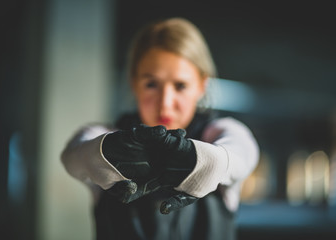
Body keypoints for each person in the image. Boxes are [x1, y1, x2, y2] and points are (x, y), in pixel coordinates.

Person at [61, 17, 259, 240]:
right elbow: (73, 156)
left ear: (202, 86)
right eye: (151, 84)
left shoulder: (221, 133)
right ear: (134, 83)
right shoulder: (105, 134)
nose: (165, 102)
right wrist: (100, 154)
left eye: (180, 86)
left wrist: (207, 162)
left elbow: (243, 151)